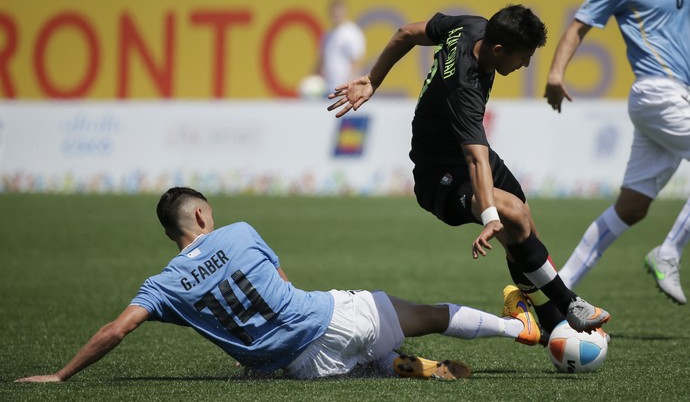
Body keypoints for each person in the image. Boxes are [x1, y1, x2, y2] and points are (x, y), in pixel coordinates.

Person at [16, 186, 543, 383]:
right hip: (331, 318)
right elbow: (283, 281)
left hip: (297, 369)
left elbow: (116, 330)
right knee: (424, 314)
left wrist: (62, 376)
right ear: (201, 214)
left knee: (359, 359)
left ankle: (399, 365)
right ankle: (516, 327)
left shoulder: (164, 286)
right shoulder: (240, 231)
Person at [327, 4, 611, 338]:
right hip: (439, 175)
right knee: (512, 216)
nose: (527, 64)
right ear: (498, 50)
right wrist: (490, 215)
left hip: (466, 157)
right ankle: (569, 305)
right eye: (523, 57)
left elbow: (405, 33)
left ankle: (549, 325)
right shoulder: (466, 86)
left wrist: (373, 80)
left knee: (524, 227)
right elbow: (475, 159)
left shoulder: (471, 25)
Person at [544, 0, 690, 305]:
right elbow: (577, 27)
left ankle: (556, 295)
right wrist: (556, 74)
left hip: (676, 95)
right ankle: (669, 252)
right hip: (658, 92)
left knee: (632, 206)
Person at [316, 0, 366, 93]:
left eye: (338, 11)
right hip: (328, 88)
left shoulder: (352, 32)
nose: (335, 14)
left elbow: (355, 62)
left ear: (345, 12)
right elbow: (321, 61)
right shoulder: (327, 35)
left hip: (345, 89)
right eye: (333, 11)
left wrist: (349, 85)